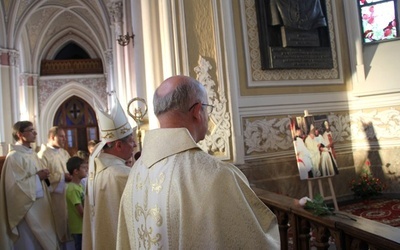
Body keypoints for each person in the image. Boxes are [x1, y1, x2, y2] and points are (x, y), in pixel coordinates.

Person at [117, 75, 280, 249]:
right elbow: (257, 242)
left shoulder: (136, 172)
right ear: (197, 112)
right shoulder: (217, 176)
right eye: (207, 109)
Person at [82, 95, 137, 250]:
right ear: (118, 145)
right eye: (131, 141)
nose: (134, 145)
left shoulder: (95, 172)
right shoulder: (122, 175)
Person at [0, 121, 59, 249]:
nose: (35, 133)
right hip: (26, 211)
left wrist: (44, 175)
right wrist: (37, 177)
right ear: (20, 134)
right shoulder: (14, 157)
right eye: (31, 130)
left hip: (40, 206)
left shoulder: (31, 154)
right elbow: (16, 188)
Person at [37, 126, 72, 245]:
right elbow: (44, 180)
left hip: (68, 194)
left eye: (65, 136)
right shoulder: (43, 155)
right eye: (62, 136)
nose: (65, 139)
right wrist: (62, 177)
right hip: (54, 198)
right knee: (58, 226)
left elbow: (70, 170)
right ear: (52, 137)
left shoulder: (64, 152)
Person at [66, 156, 88, 250]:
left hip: (82, 226)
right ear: (76, 171)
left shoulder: (80, 186)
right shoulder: (72, 188)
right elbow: (81, 211)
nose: (86, 170)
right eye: (83, 168)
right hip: (79, 228)